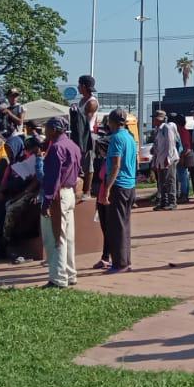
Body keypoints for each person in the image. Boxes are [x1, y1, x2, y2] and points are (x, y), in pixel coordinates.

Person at [40, 116, 82, 288]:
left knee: (56, 237)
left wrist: (46, 202)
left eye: (47, 128)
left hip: (58, 195)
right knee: (68, 236)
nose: (45, 131)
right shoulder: (73, 145)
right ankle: (70, 273)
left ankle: (58, 278)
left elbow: (53, 178)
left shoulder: (56, 148)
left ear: (55, 129)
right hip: (70, 192)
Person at [99, 109, 138, 274]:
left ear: (112, 122)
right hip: (130, 185)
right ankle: (125, 261)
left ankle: (120, 263)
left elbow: (115, 164)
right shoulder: (129, 137)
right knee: (125, 225)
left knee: (116, 227)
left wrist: (107, 187)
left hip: (119, 185)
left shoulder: (116, 138)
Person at [70, 75, 100, 188]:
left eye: (79, 84)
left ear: (83, 86)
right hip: (79, 134)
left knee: (88, 163)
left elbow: (84, 120)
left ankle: (87, 190)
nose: (78, 87)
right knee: (79, 162)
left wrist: (76, 112)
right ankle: (79, 187)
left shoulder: (92, 102)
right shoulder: (82, 100)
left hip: (88, 135)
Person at [151, 111, 180, 211]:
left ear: (160, 119)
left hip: (168, 159)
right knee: (161, 182)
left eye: (155, 118)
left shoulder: (166, 128)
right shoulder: (158, 130)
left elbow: (171, 144)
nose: (153, 120)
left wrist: (168, 158)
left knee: (170, 180)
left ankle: (172, 202)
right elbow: (157, 146)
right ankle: (164, 202)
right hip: (160, 159)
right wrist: (155, 160)